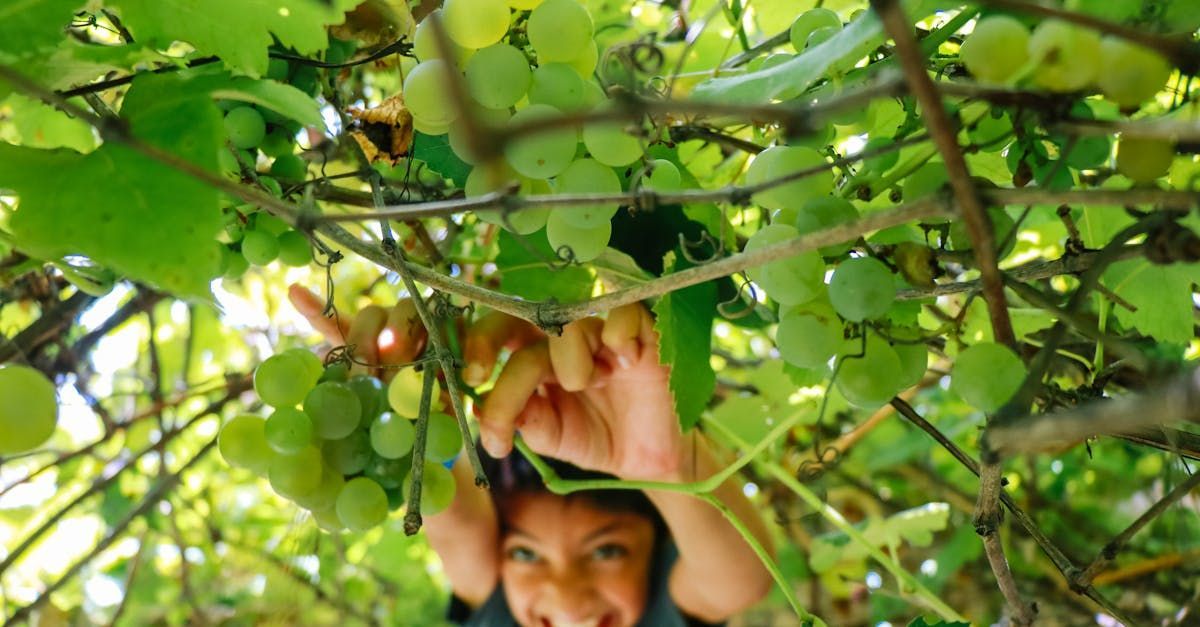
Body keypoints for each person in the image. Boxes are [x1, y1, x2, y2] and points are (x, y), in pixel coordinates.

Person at [289, 285, 775, 627]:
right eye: (523, 553)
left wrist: (665, 467)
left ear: (660, 552)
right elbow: (456, 521)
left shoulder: (498, 613)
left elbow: (738, 581)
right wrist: (404, 414)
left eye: (609, 550)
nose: (568, 603)